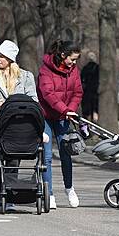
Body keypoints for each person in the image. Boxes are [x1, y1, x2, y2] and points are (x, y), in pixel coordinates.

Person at [0, 40, 38, 211]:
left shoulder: (25, 77)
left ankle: (9, 195)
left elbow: (33, 99)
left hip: (17, 127)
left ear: (11, 59)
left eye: (2, 56)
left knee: (12, 161)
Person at [37, 40, 83, 209]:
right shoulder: (45, 70)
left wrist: (70, 110)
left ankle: (69, 188)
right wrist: (65, 109)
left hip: (64, 116)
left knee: (66, 153)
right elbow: (47, 94)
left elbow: (77, 92)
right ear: (63, 56)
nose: (74, 63)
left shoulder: (73, 70)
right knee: (47, 157)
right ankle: (48, 193)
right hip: (46, 116)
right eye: (72, 59)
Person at [80, 51, 99, 122]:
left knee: (86, 108)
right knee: (95, 107)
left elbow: (81, 78)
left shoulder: (85, 68)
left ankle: (86, 122)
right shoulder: (97, 68)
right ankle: (94, 121)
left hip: (87, 90)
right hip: (95, 90)